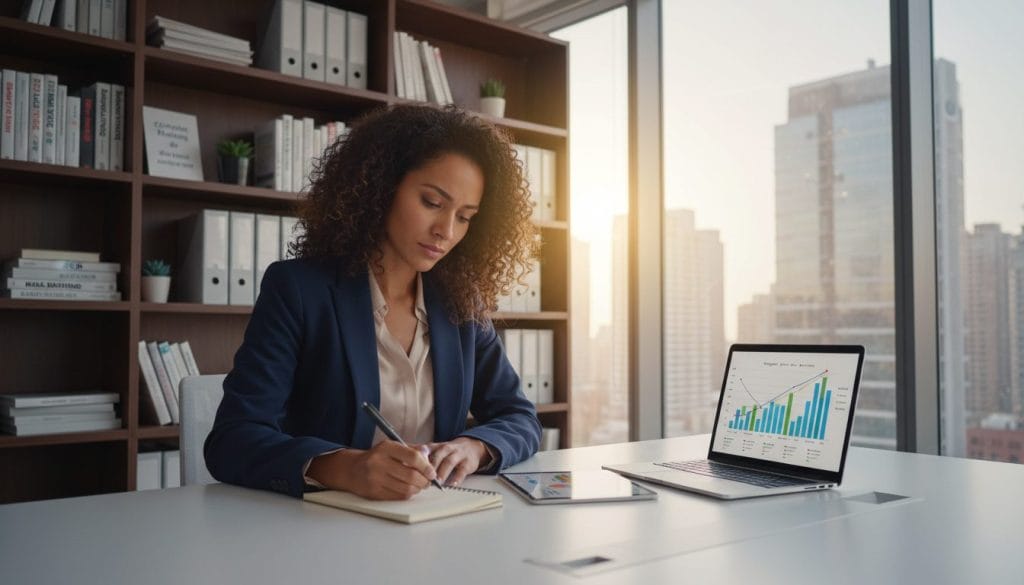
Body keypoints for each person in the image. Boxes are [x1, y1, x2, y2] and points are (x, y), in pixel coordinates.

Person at [205, 105, 542, 501]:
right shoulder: (298, 290)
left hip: (435, 522)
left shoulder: (460, 304)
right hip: (321, 532)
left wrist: (475, 447)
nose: (446, 231)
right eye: (432, 202)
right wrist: (343, 467)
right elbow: (232, 439)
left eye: (465, 216)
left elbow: (520, 418)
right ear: (381, 187)